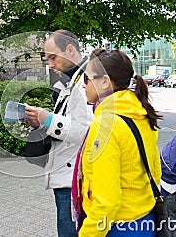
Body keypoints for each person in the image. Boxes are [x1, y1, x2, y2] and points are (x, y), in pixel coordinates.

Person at [72, 49, 162, 236]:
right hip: (144, 219)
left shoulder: (106, 124)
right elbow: (154, 170)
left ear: (105, 81)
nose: (83, 85)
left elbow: (107, 201)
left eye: (87, 78)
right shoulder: (140, 112)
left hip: (117, 225)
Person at [24, 30, 93, 236]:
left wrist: (50, 119)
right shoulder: (70, 82)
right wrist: (40, 122)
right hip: (66, 177)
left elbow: (90, 135)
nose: (50, 64)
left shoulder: (86, 84)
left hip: (74, 181)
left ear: (70, 50)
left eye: (53, 57)